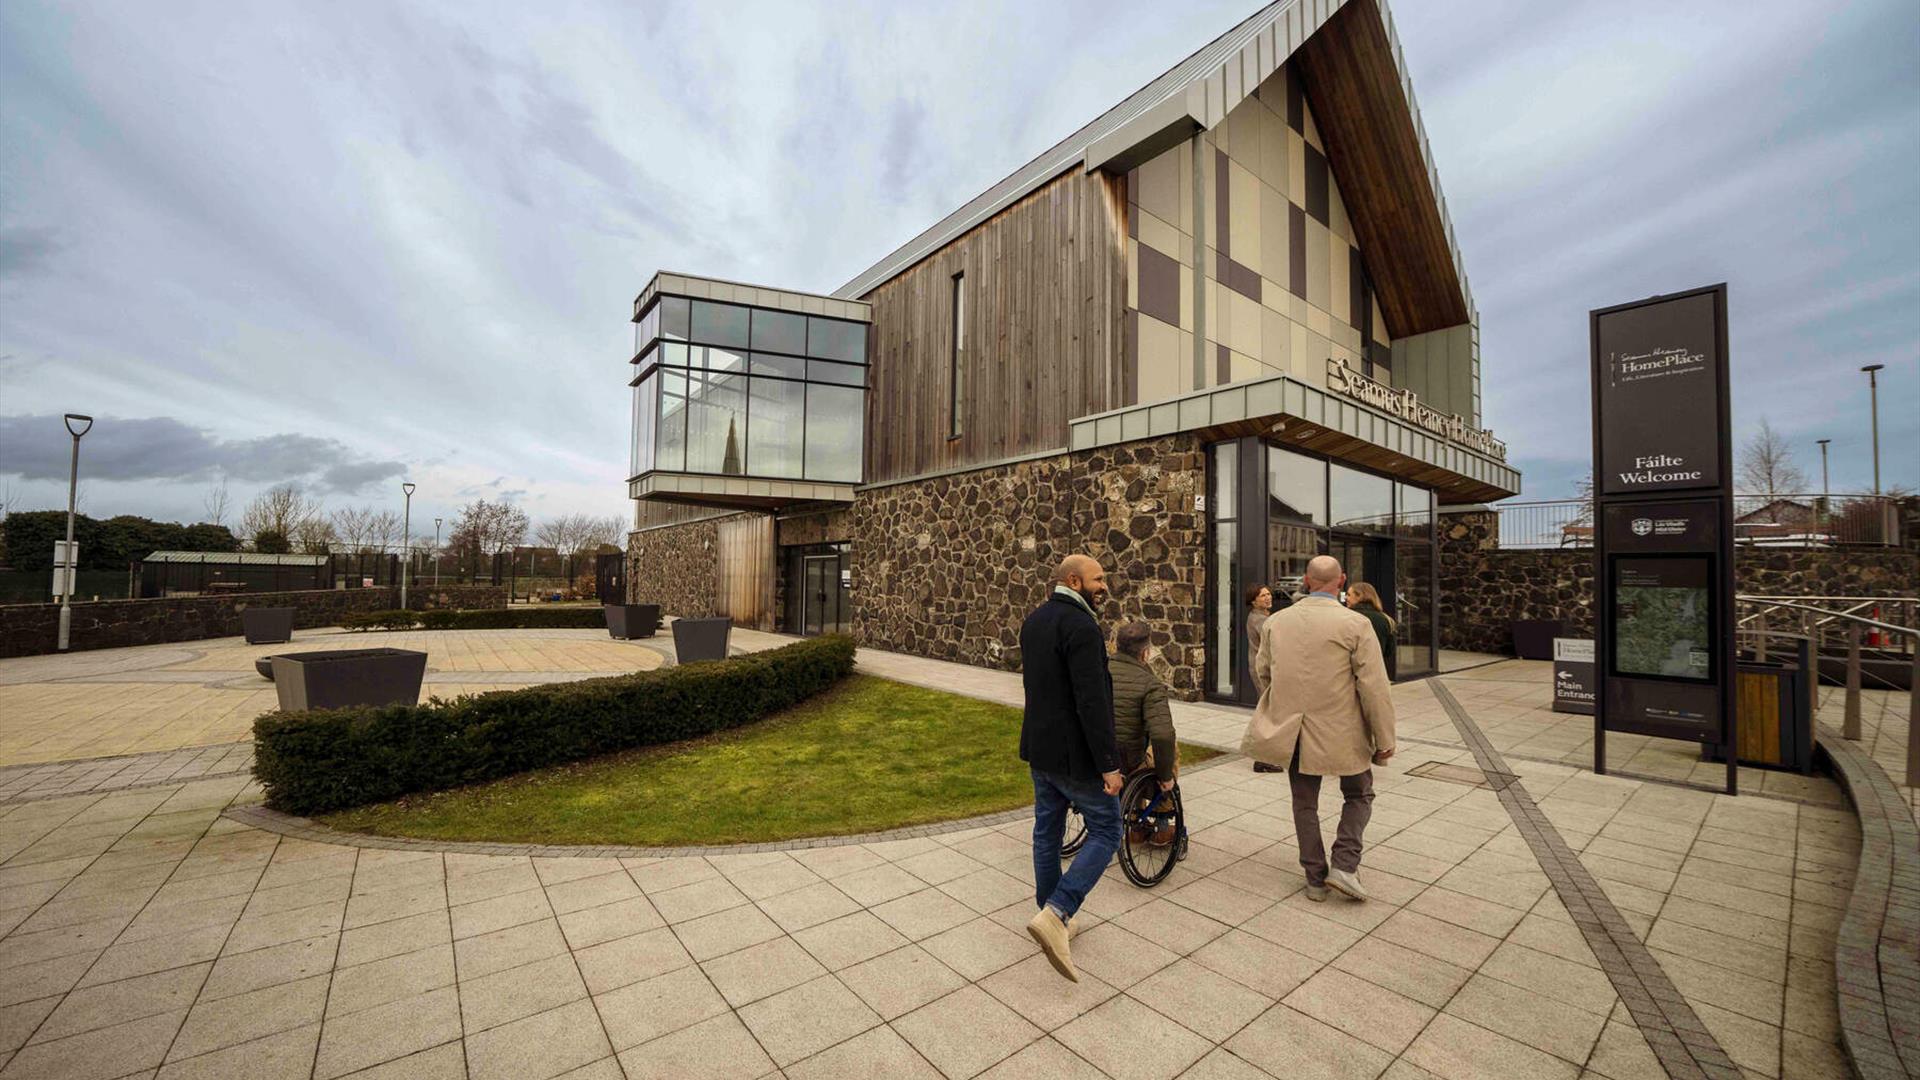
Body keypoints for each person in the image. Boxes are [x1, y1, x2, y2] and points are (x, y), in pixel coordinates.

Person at [1242, 555, 1396, 902]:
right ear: (1341, 581)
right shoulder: (1356, 625)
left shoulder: (1276, 623)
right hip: (1345, 729)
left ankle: (1314, 877)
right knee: (1359, 794)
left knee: (1304, 803)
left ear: (1307, 582)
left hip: (1295, 729)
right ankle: (1344, 864)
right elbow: (1374, 687)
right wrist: (1384, 738)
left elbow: (1265, 673)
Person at [1019, 554, 1123, 982]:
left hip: (1040, 751)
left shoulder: (1035, 621)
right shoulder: (1082, 627)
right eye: (1099, 580)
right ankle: (1058, 912)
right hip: (1075, 758)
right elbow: (1092, 701)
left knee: (1047, 832)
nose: (1105, 586)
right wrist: (1110, 764)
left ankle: (1051, 916)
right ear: (1075, 580)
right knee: (1107, 829)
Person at [1108, 621, 1177, 845]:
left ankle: (1136, 823)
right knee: (1168, 752)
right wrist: (1166, 776)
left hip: (1096, 755)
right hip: (1128, 760)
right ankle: (1163, 825)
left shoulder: (1097, 672)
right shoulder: (1150, 684)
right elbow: (1162, 735)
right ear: (1145, 652)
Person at [1345, 582, 1397, 682]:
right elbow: (1389, 651)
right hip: (1375, 674)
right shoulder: (1387, 620)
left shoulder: (1347, 616)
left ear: (1359, 596)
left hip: (1350, 676)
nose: (1346, 598)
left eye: (1349, 595)